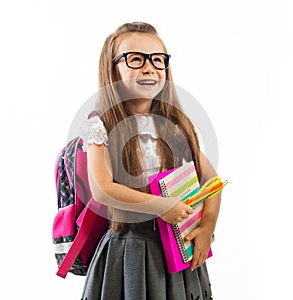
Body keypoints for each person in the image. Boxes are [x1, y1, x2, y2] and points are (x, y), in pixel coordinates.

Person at [81, 22, 221, 300]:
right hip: (130, 248)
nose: (149, 68)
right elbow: (102, 188)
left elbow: (213, 182)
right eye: (136, 59)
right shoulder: (102, 125)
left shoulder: (175, 126)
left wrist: (207, 228)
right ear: (113, 68)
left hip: (177, 248)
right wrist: (161, 206)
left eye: (158, 59)